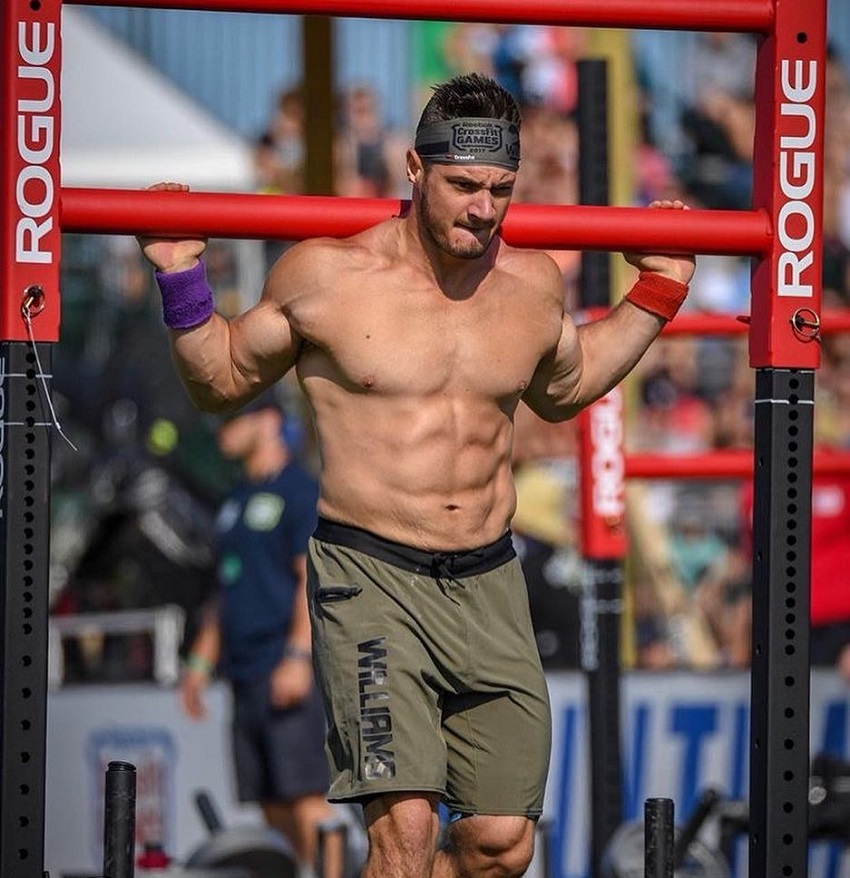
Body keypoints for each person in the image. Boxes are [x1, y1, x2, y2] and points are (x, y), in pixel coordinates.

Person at [139, 72, 696, 878]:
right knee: (402, 835)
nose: (483, 208)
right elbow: (219, 381)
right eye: (464, 185)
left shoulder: (532, 286)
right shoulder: (327, 278)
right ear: (413, 169)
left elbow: (567, 387)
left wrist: (657, 291)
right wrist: (181, 280)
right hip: (373, 574)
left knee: (501, 844)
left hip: (489, 576)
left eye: (500, 190)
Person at [179, 392, 342, 877]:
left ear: (268, 420)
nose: (221, 430)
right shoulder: (235, 501)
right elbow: (224, 589)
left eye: (233, 418)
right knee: (270, 804)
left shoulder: (299, 490)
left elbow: (309, 579)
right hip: (244, 671)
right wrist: (200, 662)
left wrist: (297, 655)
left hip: (284, 663)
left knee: (306, 799)